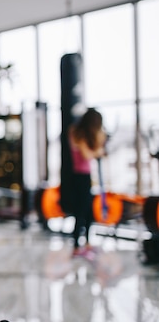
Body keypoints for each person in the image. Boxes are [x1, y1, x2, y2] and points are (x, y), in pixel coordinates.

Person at [67, 108, 106, 258]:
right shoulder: (79, 135)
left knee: (88, 211)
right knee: (81, 212)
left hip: (84, 176)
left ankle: (87, 243)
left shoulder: (76, 132)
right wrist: (99, 150)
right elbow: (87, 154)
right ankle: (77, 245)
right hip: (80, 177)